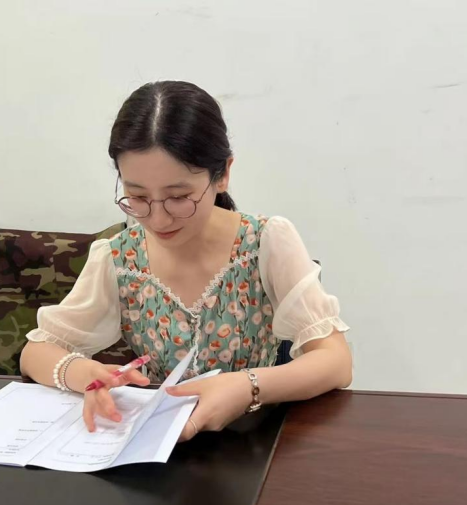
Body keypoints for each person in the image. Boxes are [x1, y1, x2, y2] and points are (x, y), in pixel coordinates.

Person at [21, 81, 351, 441]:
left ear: (222, 174)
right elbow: (35, 352)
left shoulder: (265, 242)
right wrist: (85, 374)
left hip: (255, 442)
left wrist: (247, 387)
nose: (158, 220)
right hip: (160, 443)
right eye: (137, 196)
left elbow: (335, 361)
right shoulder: (118, 258)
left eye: (179, 197)